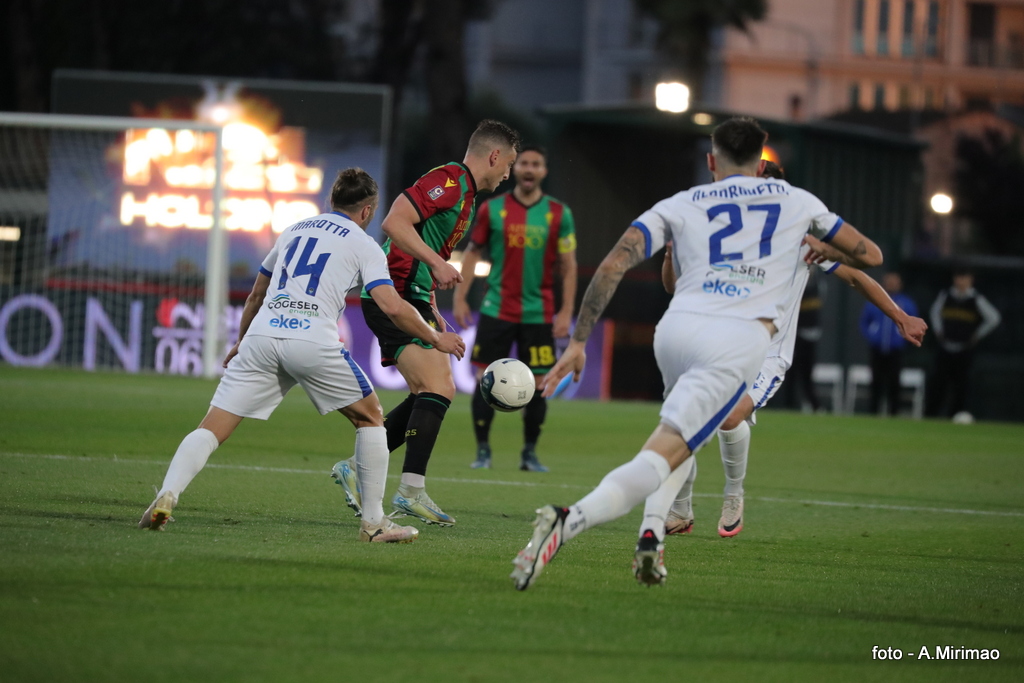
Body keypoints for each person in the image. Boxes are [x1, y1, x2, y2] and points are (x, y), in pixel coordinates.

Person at [509, 117, 882, 590]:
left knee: (676, 436)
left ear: (711, 161)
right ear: (761, 159)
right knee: (666, 450)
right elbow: (870, 256)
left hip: (675, 331)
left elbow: (614, 262)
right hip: (736, 340)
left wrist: (579, 341)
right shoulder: (799, 202)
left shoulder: (684, 201)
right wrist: (821, 243)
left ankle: (652, 534)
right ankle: (571, 519)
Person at [138, 168, 466, 543]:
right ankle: (374, 524)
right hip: (311, 337)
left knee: (211, 427)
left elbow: (255, 296)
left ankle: (167, 494)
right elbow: (392, 305)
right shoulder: (365, 245)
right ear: (368, 211)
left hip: (262, 335)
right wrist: (434, 337)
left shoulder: (293, 230)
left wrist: (241, 341)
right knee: (372, 419)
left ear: (331, 200)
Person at [659, 163, 926, 540]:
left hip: (767, 354)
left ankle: (734, 494)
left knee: (731, 417)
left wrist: (899, 315)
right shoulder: (723, 236)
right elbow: (673, 288)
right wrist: (670, 258)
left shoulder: (800, 238)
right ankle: (681, 509)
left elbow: (856, 275)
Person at [332, 119, 521, 527]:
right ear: (493, 156)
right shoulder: (450, 181)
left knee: (430, 390)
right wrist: (437, 263)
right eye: (508, 163)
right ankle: (408, 491)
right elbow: (394, 222)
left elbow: (422, 246)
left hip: (411, 295)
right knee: (438, 386)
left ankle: (359, 470)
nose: (508, 173)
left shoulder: (466, 196)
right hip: (392, 294)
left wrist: (434, 312)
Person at [452, 145, 578, 472]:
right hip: (496, 308)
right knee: (485, 378)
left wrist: (566, 312)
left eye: (536, 164)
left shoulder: (558, 213)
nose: (529, 169)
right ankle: (482, 451)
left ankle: (529, 453)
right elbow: (473, 253)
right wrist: (461, 297)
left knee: (539, 384)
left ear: (543, 171)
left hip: (539, 313)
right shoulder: (492, 209)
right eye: (524, 162)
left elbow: (568, 265)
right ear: (515, 167)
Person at [926, 267, 1001, 421]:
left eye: (964, 277)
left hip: (964, 350)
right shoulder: (946, 295)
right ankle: (931, 417)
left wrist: (977, 335)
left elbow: (994, 318)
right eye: (959, 277)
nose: (961, 281)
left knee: (961, 387)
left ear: (970, 280)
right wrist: (939, 330)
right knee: (938, 385)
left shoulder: (976, 298)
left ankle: (957, 416)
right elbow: (934, 313)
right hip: (945, 348)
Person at [859, 272, 919, 415]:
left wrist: (902, 340)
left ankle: (894, 413)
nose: (891, 285)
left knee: (894, 382)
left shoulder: (906, 302)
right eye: (889, 281)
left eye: (894, 282)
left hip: (896, 350)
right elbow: (864, 322)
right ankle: (873, 413)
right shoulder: (875, 300)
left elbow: (913, 322)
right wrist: (872, 336)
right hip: (877, 348)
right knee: (876, 382)